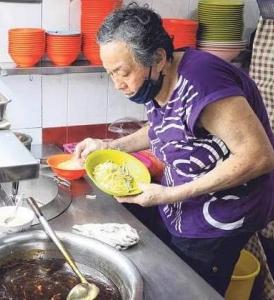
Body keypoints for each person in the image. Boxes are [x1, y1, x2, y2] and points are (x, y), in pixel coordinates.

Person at [74, 4, 274, 296]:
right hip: (181, 205)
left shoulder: (203, 82)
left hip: (218, 217)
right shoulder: (161, 76)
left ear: (157, 56)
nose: (118, 84)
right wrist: (109, 146)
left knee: (190, 289)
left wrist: (169, 194)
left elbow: (259, 156)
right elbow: (163, 128)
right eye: (110, 74)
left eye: (123, 72)